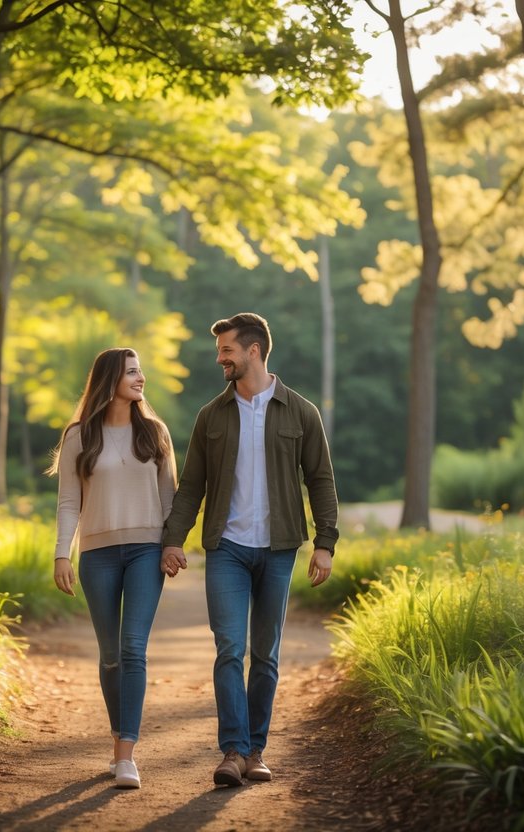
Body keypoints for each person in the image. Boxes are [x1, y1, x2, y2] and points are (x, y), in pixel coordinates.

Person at [160, 312, 337, 788]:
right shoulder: (210, 415)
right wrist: (173, 538)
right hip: (227, 549)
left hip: (279, 549)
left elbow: (320, 479)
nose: (220, 359)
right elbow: (191, 485)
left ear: (253, 350)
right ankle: (233, 751)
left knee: (267, 655)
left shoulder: (300, 412)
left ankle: (257, 749)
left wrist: (325, 543)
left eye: (226, 351)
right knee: (229, 648)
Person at [49, 347, 177, 790]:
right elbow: (69, 501)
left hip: (146, 550)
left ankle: (126, 755)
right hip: (98, 555)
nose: (141, 378)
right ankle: (116, 739)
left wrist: (172, 546)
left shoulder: (155, 432)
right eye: (132, 372)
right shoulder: (79, 436)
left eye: (141, 371)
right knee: (109, 656)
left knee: (133, 649)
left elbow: (170, 500)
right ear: (109, 380)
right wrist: (62, 553)